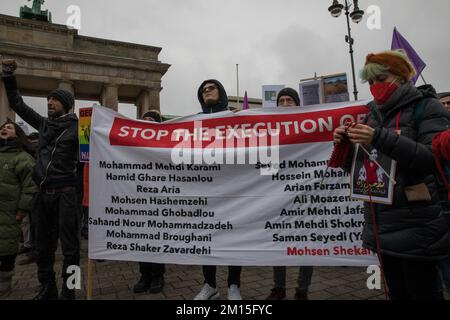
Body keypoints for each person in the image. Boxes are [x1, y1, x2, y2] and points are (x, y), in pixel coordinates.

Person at [333, 50, 450, 300]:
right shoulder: (372, 115)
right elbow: (362, 168)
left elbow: (432, 159)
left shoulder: (427, 107)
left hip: (417, 225)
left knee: (423, 292)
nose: (375, 86)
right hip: (382, 225)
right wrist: (346, 146)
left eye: (381, 78)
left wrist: (378, 137)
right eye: (371, 82)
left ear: (401, 77)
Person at [1, 59, 80, 300]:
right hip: (42, 194)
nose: (49, 102)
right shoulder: (44, 125)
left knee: (71, 249)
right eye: (48, 100)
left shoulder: (79, 129)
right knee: (42, 248)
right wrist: (8, 74)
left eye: (54, 99)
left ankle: (70, 290)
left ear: (66, 104)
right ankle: (47, 288)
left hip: (67, 193)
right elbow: (17, 103)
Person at [193, 79, 242, 300]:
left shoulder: (236, 118)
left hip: (233, 189)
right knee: (207, 239)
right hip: (207, 191)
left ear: (221, 91)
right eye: (203, 90)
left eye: (211, 88)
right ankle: (209, 285)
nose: (207, 92)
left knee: (234, 239)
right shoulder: (195, 122)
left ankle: (234, 285)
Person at [265, 88, 314, 300]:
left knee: (308, 242)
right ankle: (279, 288)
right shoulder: (269, 130)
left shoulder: (310, 126)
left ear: (297, 103)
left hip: (306, 193)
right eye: (281, 100)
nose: (285, 104)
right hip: (278, 194)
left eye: (289, 100)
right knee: (278, 240)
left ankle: (302, 290)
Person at [0, 121, 37, 297]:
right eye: (2, 127)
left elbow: (29, 186)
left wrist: (22, 210)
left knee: (7, 249)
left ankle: (4, 285)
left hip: (10, 212)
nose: (4, 129)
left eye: (9, 127)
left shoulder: (23, 158)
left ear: (18, 134)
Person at [132, 109, 166, 294]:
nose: (147, 122)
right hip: (139, 199)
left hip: (159, 199)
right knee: (141, 239)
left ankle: (158, 275)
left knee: (157, 239)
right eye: (144, 120)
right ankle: (144, 275)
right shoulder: (134, 145)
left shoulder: (164, 145)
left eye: (151, 120)